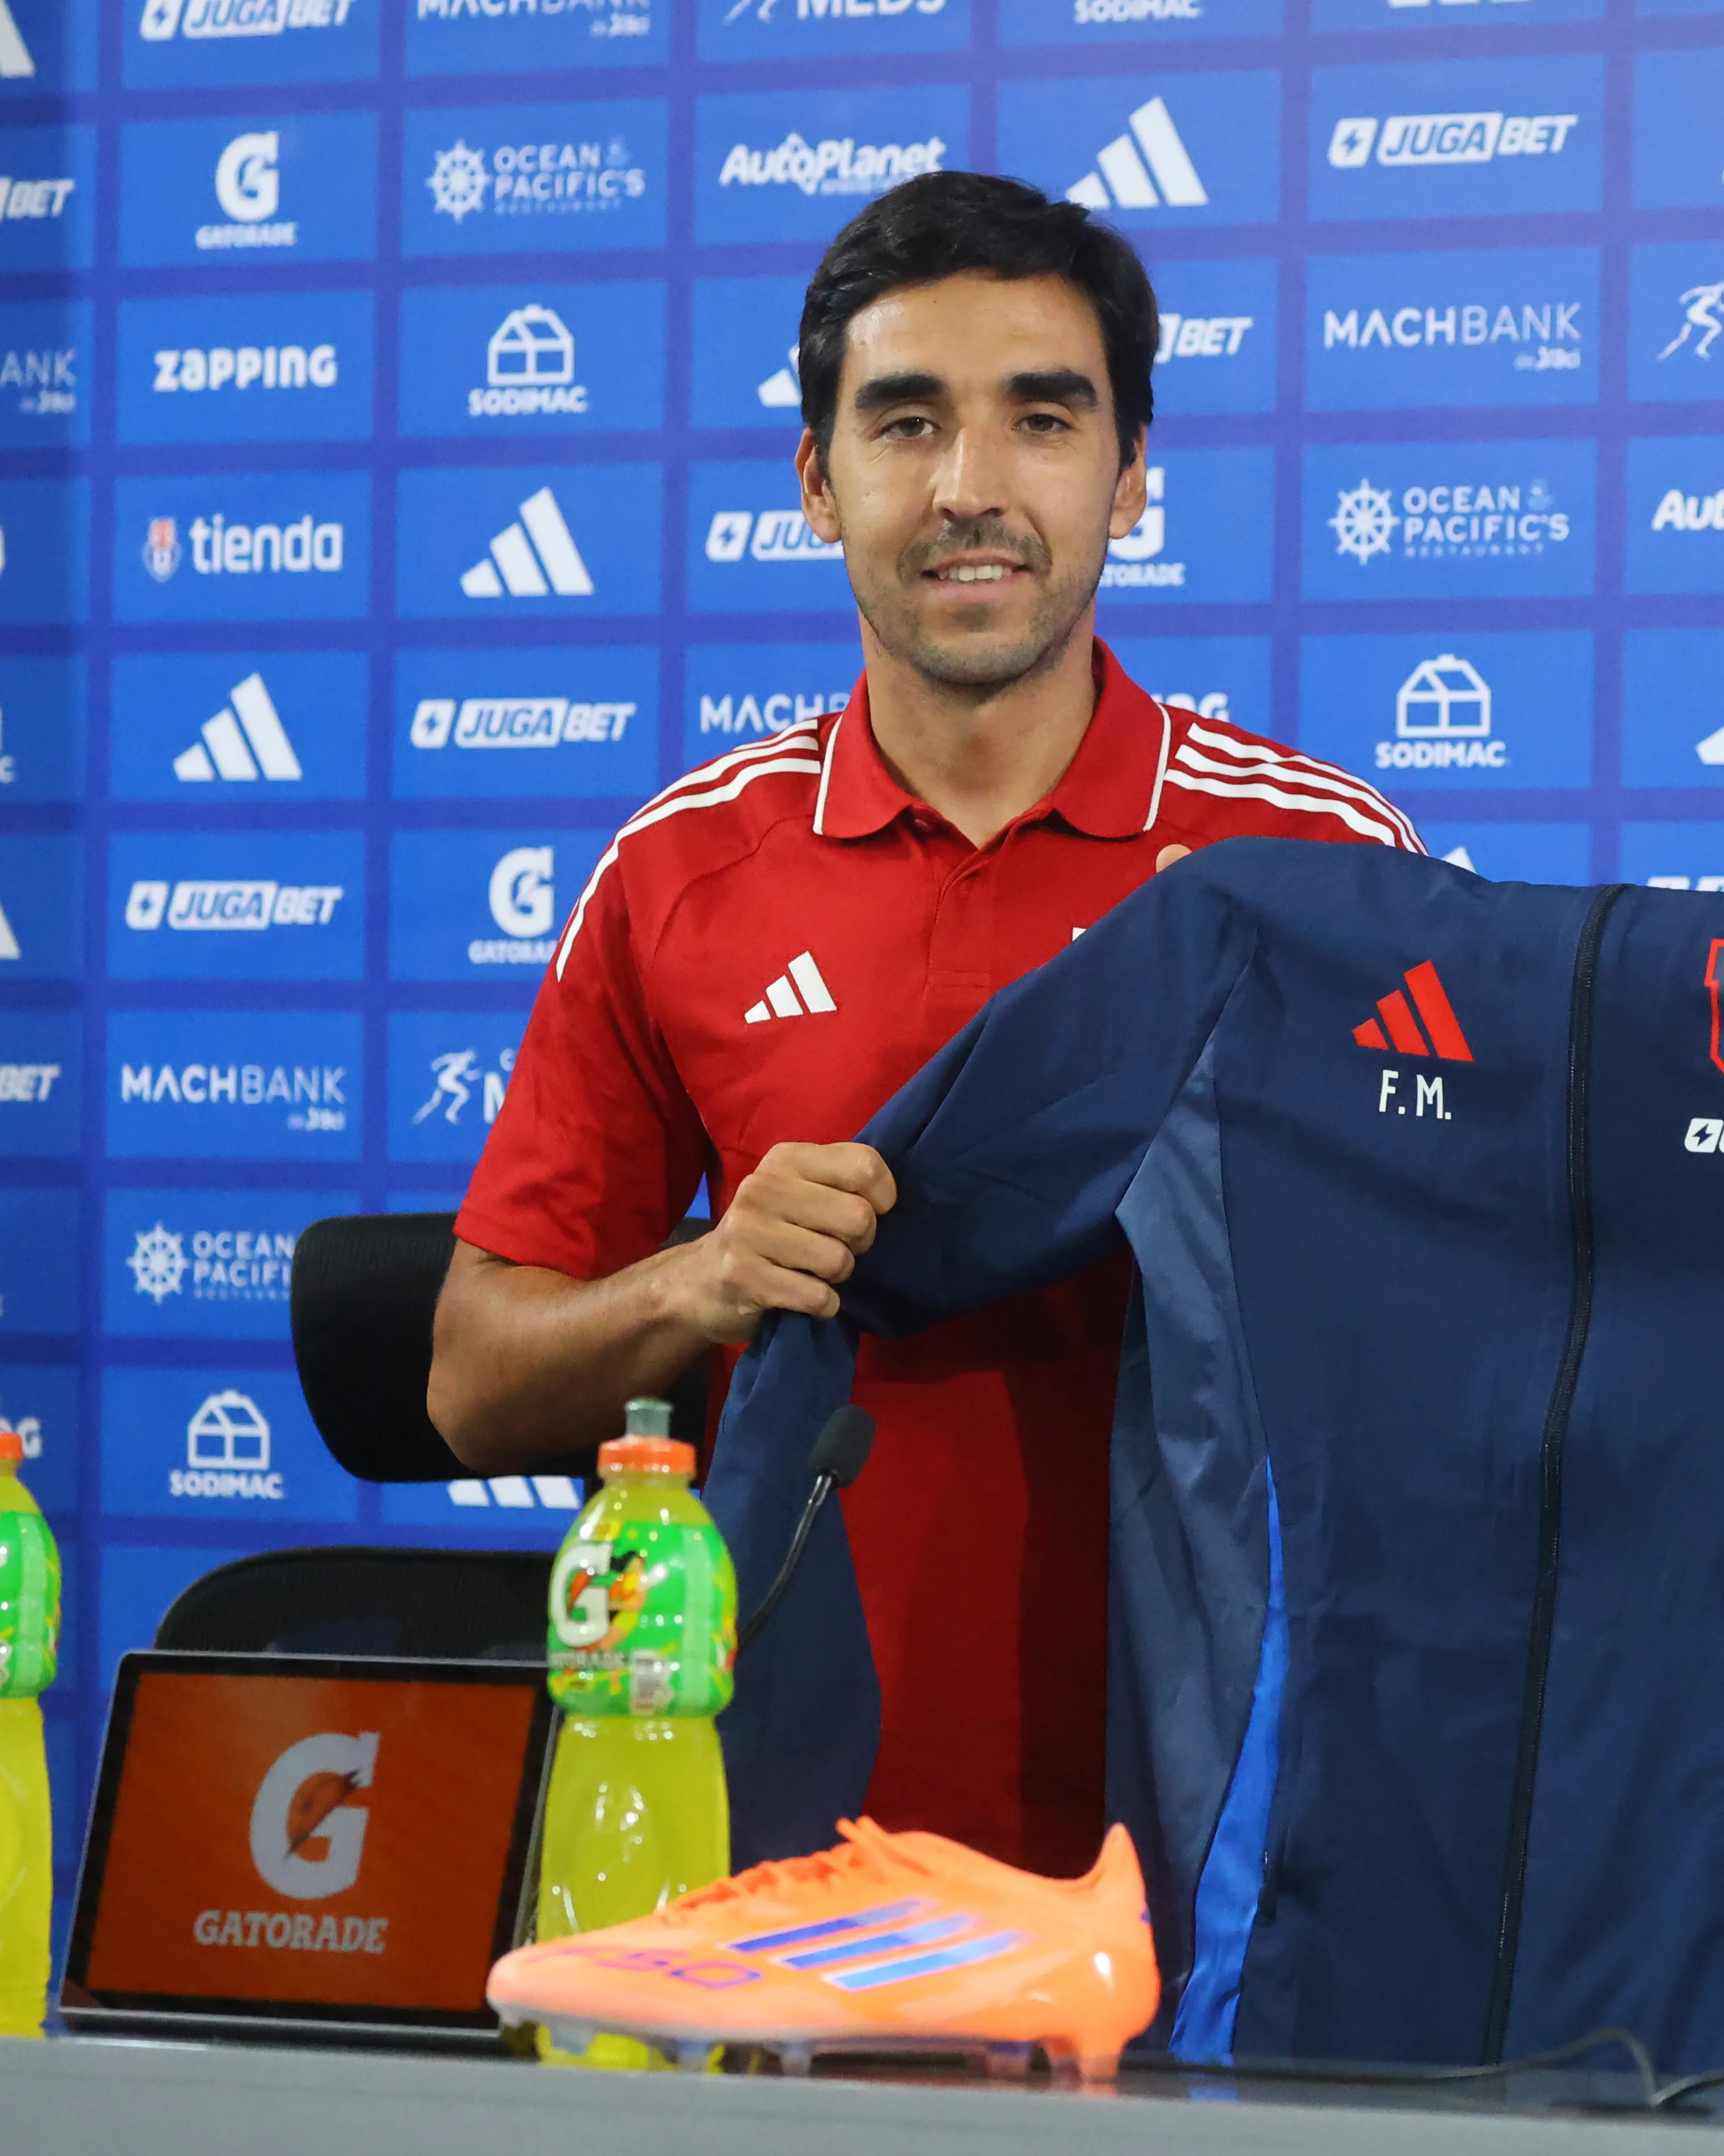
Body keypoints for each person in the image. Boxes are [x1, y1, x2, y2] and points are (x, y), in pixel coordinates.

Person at [429, 172, 1420, 1879]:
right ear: (817, 483)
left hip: (1231, 1879)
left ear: (1130, 476)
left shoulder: (1327, 872)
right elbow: (469, 1385)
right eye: (905, 425)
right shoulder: (680, 870)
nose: (971, 490)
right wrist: (705, 1279)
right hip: (768, 1872)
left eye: (1041, 419)